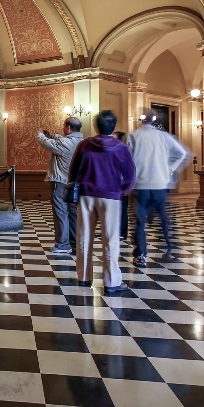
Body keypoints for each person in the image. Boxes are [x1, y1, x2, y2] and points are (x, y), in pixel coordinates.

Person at [67, 110, 135, 292]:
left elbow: (73, 170)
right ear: (114, 126)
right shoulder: (120, 148)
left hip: (86, 195)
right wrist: (122, 191)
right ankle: (112, 281)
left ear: (96, 126)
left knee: (84, 236)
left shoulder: (85, 145)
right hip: (110, 196)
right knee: (110, 239)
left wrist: (74, 191)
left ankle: (83, 277)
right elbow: (130, 176)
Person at [126, 109, 192, 266]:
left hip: (140, 185)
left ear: (141, 120)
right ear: (154, 120)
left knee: (140, 222)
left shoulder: (133, 136)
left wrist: (127, 181)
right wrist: (170, 168)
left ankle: (140, 255)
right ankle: (170, 249)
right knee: (163, 219)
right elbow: (183, 153)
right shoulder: (164, 136)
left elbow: (127, 160)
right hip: (160, 185)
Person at [37, 117, 84, 254]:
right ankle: (74, 242)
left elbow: (45, 143)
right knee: (73, 213)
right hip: (74, 183)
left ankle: (63, 244)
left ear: (68, 128)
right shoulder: (81, 141)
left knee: (60, 213)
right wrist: (53, 135)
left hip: (61, 182)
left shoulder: (66, 143)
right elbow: (60, 140)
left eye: (64, 126)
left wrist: (40, 134)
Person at [112, 131, 129, 245]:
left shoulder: (124, 152)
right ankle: (113, 232)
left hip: (122, 185)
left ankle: (122, 233)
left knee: (122, 210)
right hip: (113, 184)